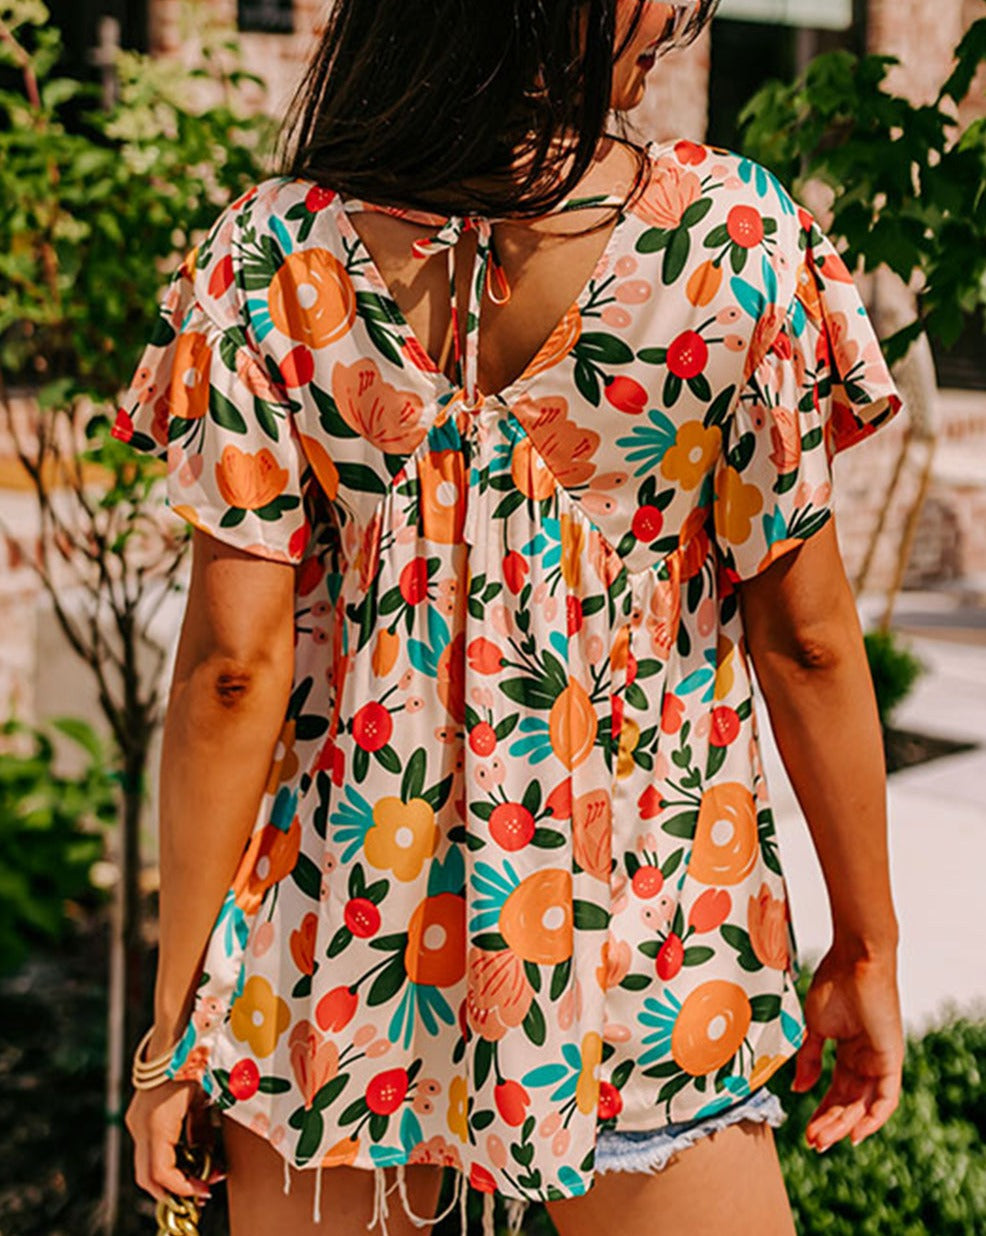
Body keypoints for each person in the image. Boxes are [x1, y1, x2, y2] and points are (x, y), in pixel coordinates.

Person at [120, 2, 906, 1234]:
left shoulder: (268, 257)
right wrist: (864, 949)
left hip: (340, 962)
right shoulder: (734, 241)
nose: (686, 19)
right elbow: (802, 641)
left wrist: (176, 1034)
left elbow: (233, 670)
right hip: (650, 946)